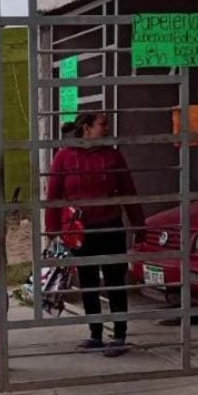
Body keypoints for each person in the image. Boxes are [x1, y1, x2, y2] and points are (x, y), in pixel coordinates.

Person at [45, 112, 145, 357]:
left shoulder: (112, 155)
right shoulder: (64, 157)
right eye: (103, 124)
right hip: (81, 232)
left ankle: (119, 335)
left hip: (110, 226)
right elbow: (54, 196)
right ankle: (95, 334)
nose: (107, 128)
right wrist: (52, 231)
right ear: (87, 129)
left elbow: (128, 191)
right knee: (88, 282)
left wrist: (138, 225)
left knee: (115, 282)